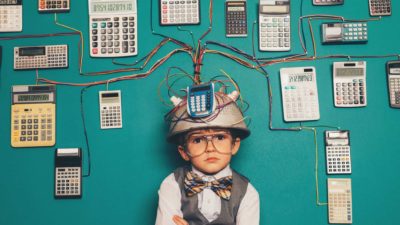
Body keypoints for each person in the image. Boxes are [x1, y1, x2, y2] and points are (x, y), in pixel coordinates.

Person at [155, 88, 260, 225]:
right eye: (198, 140)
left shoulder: (247, 192)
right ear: (184, 152)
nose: (210, 148)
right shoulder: (172, 185)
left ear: (234, 145)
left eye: (220, 137)